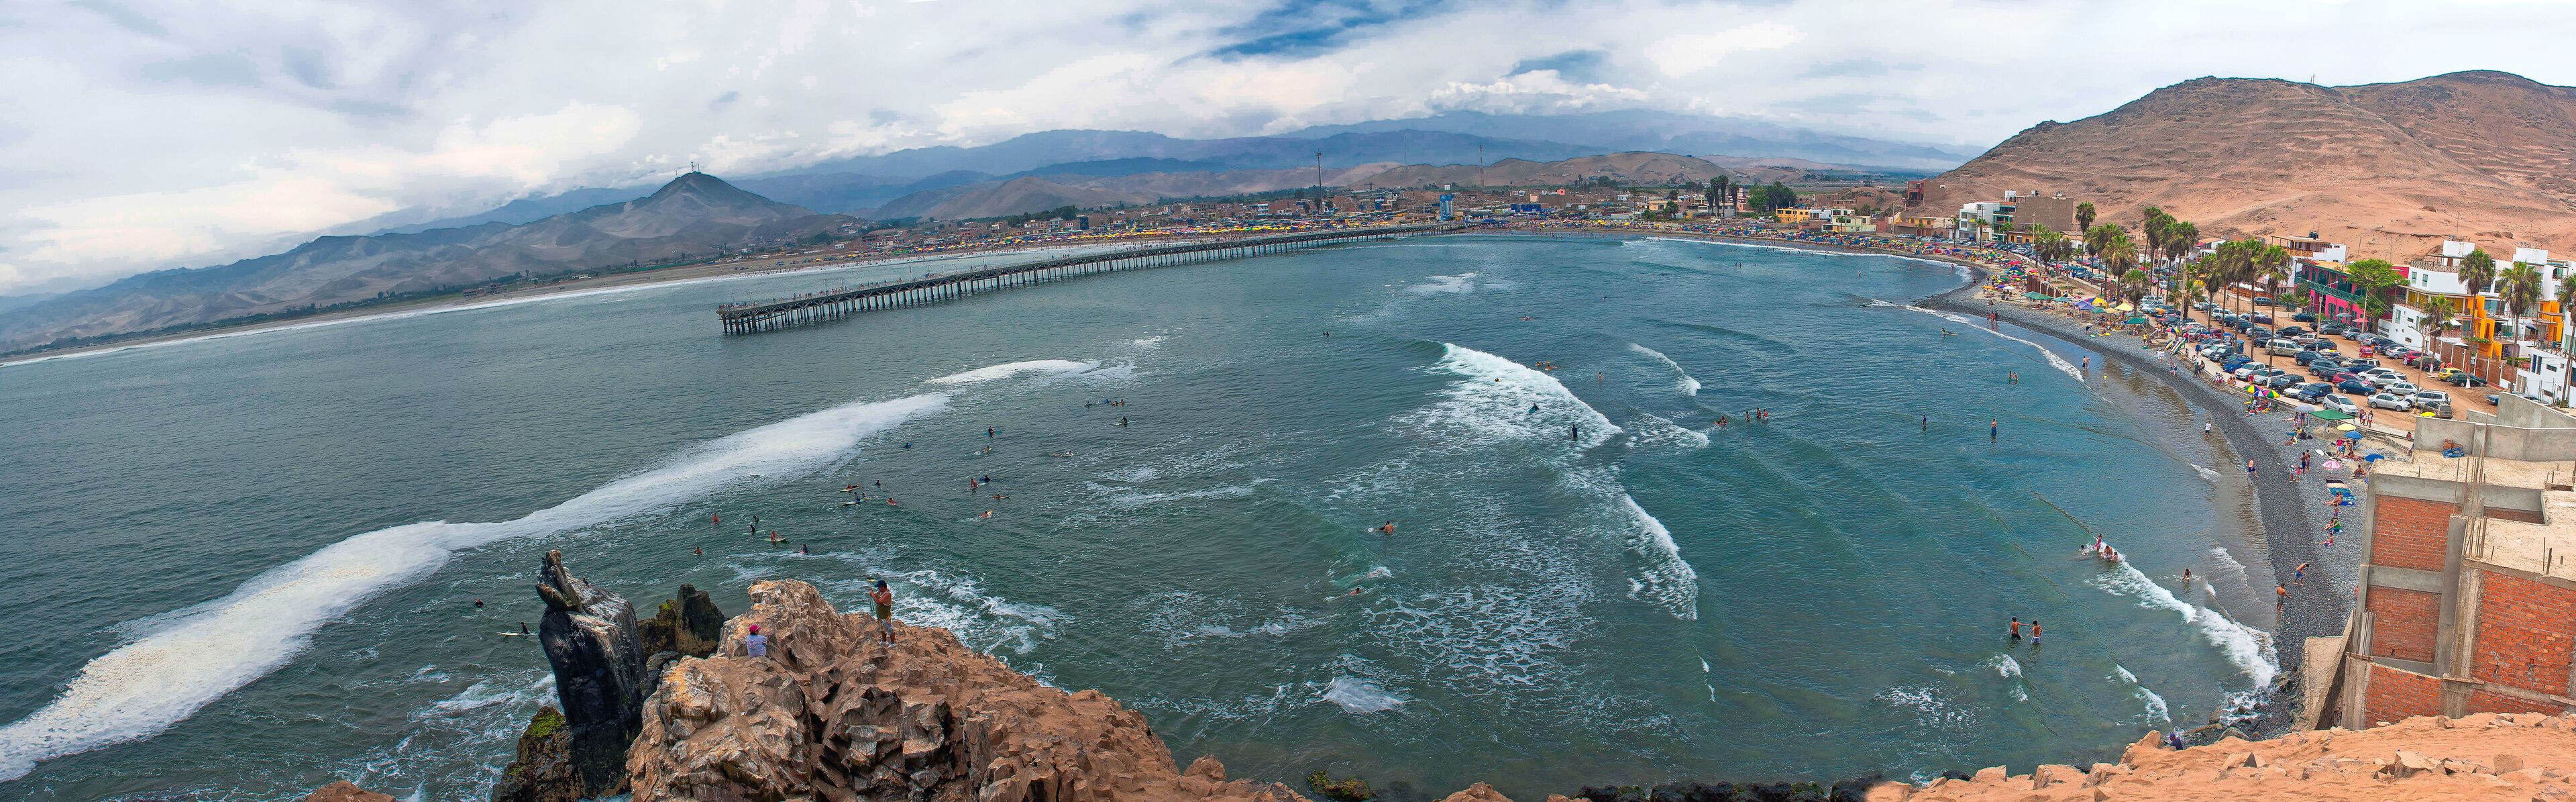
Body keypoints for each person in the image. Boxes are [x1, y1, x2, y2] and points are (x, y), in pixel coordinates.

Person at [871, 580, 896, 645]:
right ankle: (884, 641)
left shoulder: (887, 594)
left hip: (886, 616)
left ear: (882, 587)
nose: (878, 589)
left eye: (879, 587)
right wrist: (872, 593)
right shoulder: (881, 592)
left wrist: (872, 594)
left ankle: (892, 643)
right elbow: (874, 596)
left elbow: (878, 602)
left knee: (890, 630)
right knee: (882, 628)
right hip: (881, 616)